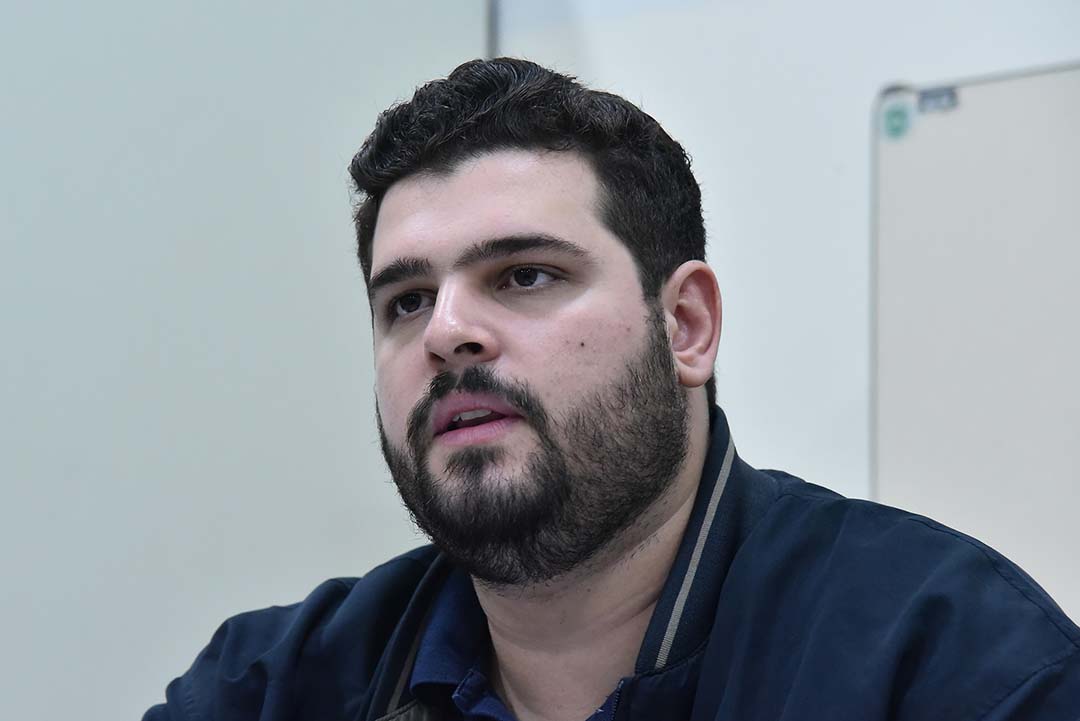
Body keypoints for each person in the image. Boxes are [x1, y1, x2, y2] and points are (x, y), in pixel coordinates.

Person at [144, 58, 1080, 721]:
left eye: (524, 275)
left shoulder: (952, 666)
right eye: (407, 299)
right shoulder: (268, 689)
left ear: (686, 326)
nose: (444, 331)